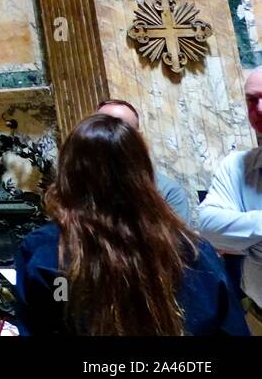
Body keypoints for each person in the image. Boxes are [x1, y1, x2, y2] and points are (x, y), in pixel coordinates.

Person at [14, 113, 249, 336]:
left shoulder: (48, 255)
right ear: (143, 173)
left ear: (68, 175)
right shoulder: (191, 251)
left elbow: (50, 312)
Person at [197, 65, 262, 332]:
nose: (258, 109)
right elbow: (209, 227)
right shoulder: (237, 165)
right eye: (251, 100)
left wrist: (246, 240)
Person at [95, 99, 192, 221]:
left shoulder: (168, 193)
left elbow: (179, 239)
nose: (110, 139)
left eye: (122, 132)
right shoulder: (73, 188)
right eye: (101, 129)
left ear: (138, 138)